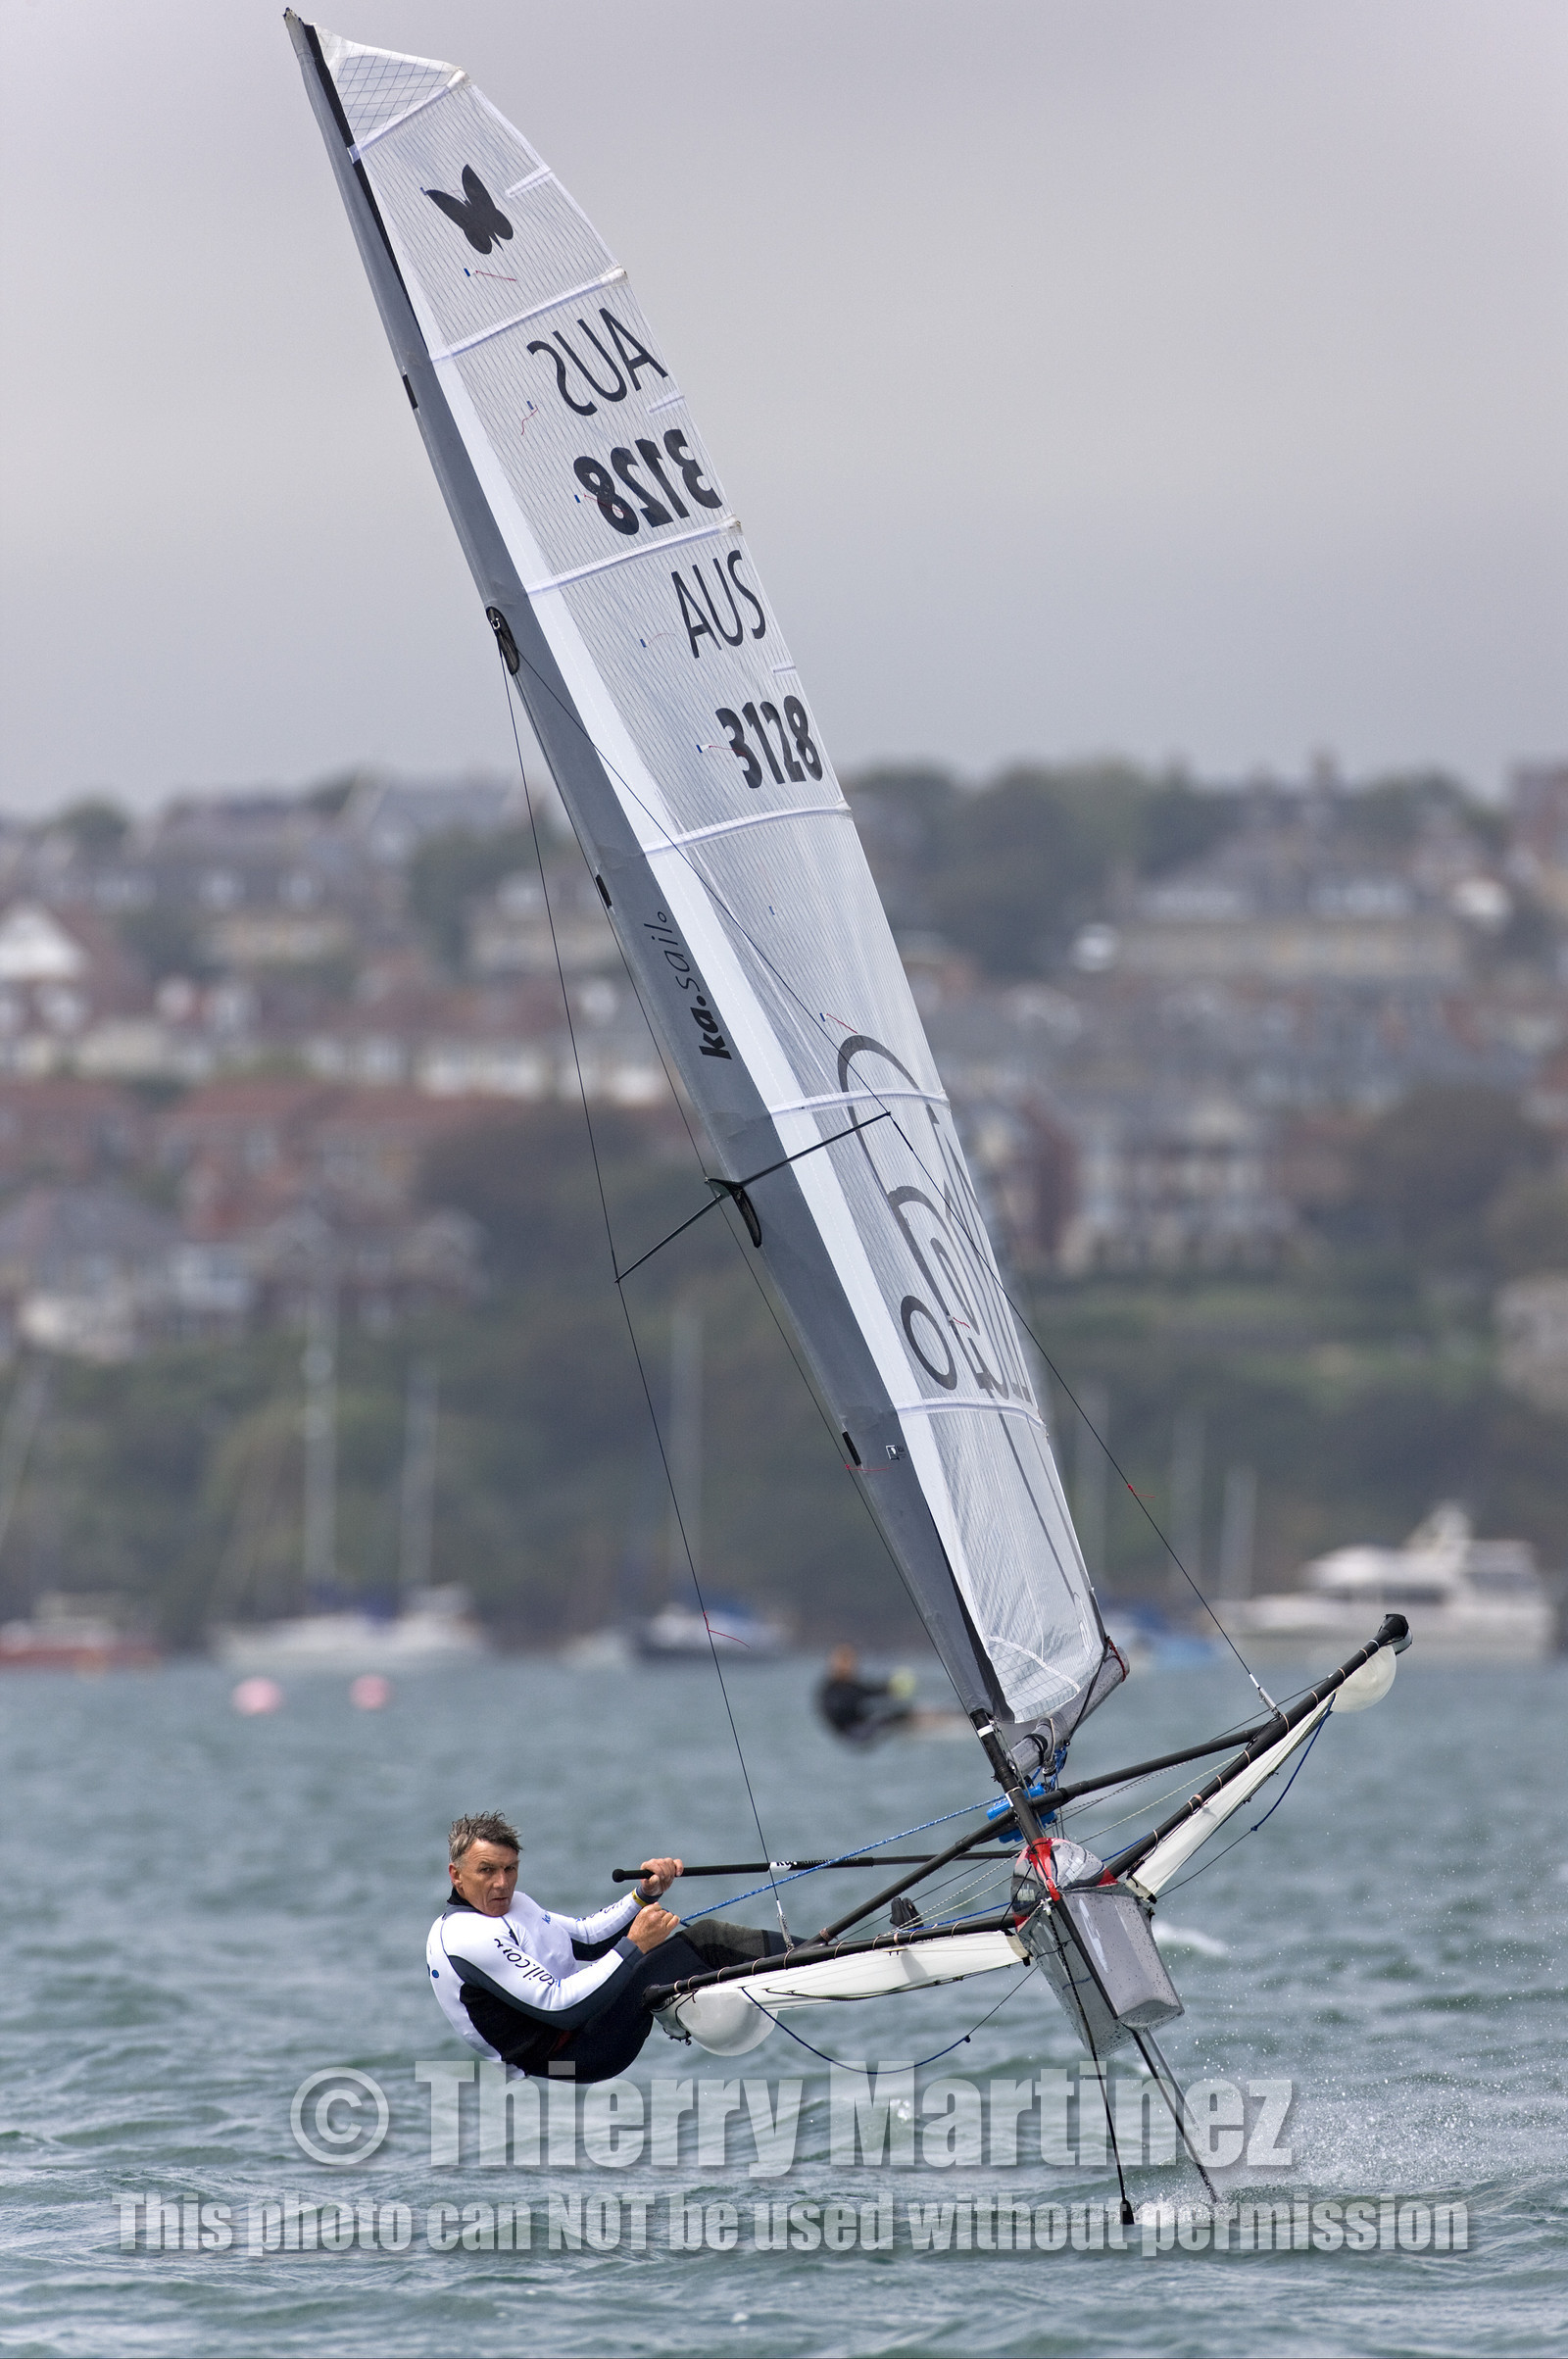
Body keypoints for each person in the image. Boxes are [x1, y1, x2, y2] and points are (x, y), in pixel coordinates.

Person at [427, 1810, 784, 2082]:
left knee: (686, 1951)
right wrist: (635, 1945)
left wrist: (644, 1894)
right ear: (456, 1875)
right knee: (704, 1940)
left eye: (510, 1869)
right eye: (487, 1870)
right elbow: (561, 2007)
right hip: (571, 2059)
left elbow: (588, 1938)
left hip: (581, 2033)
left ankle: (804, 1960)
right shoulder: (465, 1937)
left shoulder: (515, 1905)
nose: (502, 1883)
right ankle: (810, 1959)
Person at [815, 1644, 917, 1745]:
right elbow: (845, 1705)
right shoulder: (831, 1691)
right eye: (845, 1661)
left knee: (899, 1715)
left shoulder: (852, 1686)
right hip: (853, 1733)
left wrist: (891, 1688)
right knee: (892, 1719)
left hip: (864, 1726)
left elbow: (870, 1691)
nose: (851, 1665)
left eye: (852, 1661)